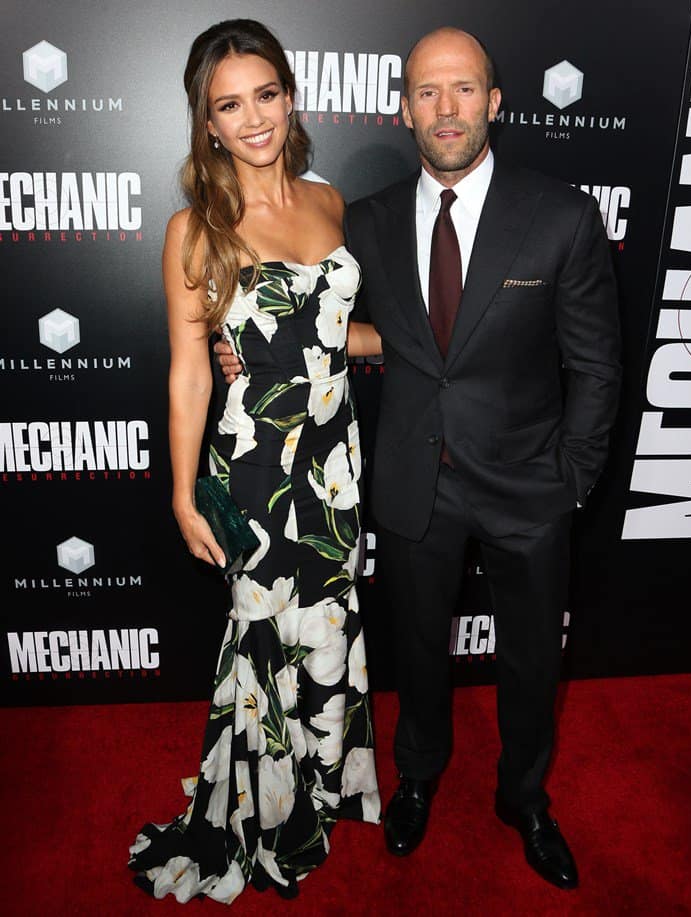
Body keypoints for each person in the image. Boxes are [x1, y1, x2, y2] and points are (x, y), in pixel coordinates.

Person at [216, 26, 621, 891]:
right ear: (404, 110)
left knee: (530, 662)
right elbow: (324, 323)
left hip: (529, 490)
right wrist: (245, 346)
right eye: (428, 93)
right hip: (409, 483)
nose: (447, 110)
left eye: (465, 90)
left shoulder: (562, 216)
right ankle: (419, 777)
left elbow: (595, 364)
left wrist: (571, 479)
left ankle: (525, 797)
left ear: (495, 103)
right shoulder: (360, 222)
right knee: (418, 651)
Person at [129, 19, 380, 906]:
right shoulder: (194, 229)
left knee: (329, 631)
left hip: (334, 467)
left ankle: (316, 789)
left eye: (265, 95)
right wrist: (182, 494)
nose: (253, 119)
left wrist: (401, 343)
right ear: (207, 124)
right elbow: (191, 369)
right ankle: (263, 817)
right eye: (228, 106)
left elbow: (335, 334)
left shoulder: (332, 202)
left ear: (290, 96)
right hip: (257, 471)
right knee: (265, 641)